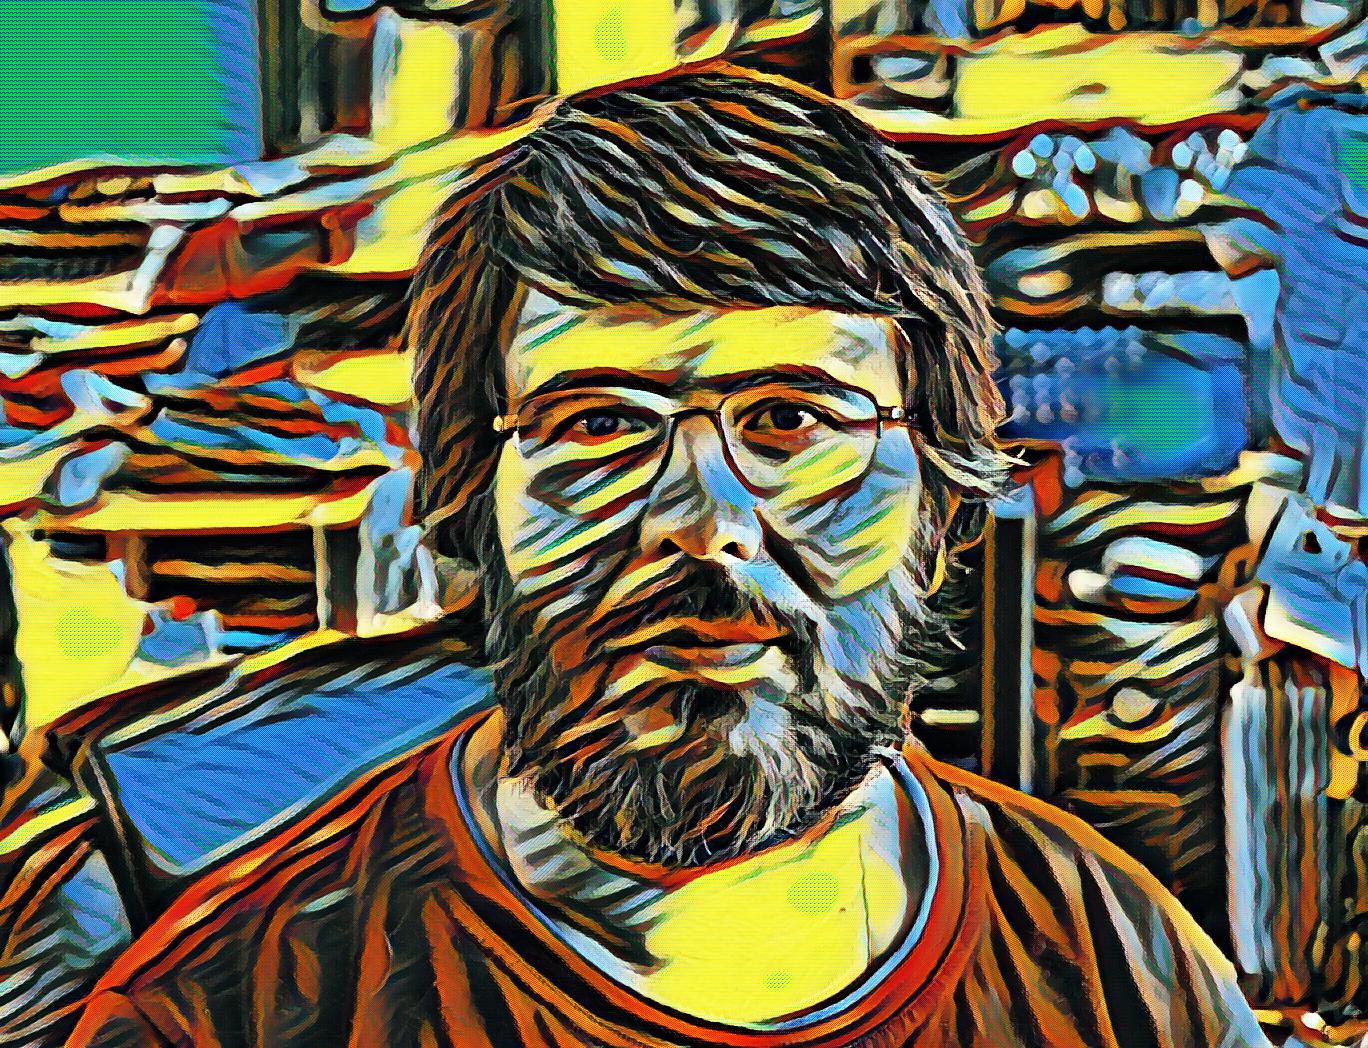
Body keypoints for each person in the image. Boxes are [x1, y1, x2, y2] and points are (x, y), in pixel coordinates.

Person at [65, 62, 1272, 1048]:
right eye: (597, 424)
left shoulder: (1119, 971)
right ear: (470, 505)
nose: (702, 525)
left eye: (792, 418)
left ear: (944, 501)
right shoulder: (227, 1012)